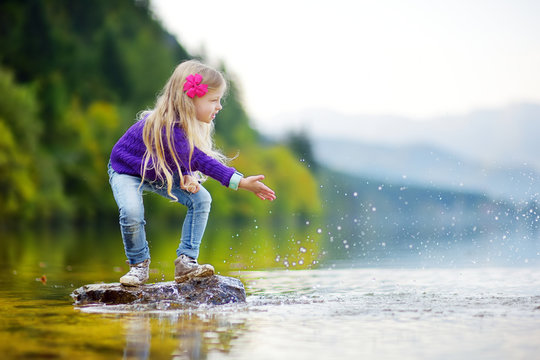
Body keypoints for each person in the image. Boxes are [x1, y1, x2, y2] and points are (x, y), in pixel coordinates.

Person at [108, 59, 276, 286]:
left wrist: (186, 172)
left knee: (201, 199)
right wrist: (242, 182)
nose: (219, 107)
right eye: (214, 100)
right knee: (131, 212)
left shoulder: (184, 126)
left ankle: (186, 262)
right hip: (126, 169)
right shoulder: (165, 124)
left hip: (156, 171)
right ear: (189, 100)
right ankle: (138, 265)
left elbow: (180, 153)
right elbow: (197, 158)